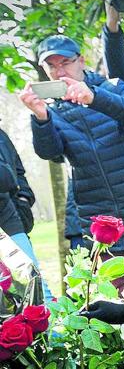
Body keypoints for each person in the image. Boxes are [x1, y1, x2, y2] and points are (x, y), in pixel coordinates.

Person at [17, 35, 124, 296]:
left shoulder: (112, 87)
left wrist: (94, 97)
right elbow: (51, 153)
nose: (60, 70)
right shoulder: (51, 110)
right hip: (100, 215)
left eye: (65, 62)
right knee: (120, 297)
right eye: (52, 66)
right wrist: (40, 118)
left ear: (82, 61)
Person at [0, 128, 54, 302]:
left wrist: (23, 199)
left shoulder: (1, 135)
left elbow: (13, 174)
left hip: (8, 220)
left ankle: (50, 329)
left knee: (37, 291)